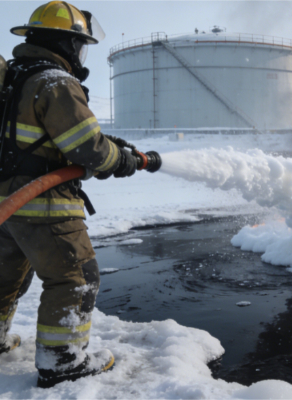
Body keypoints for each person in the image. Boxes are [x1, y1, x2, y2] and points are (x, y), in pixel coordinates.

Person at [0, 1, 141, 388]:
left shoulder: (12, 78)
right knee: (76, 276)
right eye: (79, 45)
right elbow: (87, 150)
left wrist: (104, 141)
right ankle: (62, 362)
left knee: (4, 276)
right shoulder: (55, 82)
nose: (80, 54)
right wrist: (120, 160)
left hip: (7, 204)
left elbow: (42, 134)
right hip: (43, 205)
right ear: (64, 43)